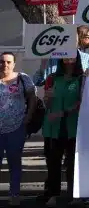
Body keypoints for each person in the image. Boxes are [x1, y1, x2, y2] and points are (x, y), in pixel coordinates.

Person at [40, 53, 85, 207]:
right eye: (66, 57)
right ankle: (53, 194)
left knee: (73, 163)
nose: (69, 60)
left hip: (73, 126)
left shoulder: (82, 79)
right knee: (54, 162)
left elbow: (82, 102)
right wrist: (47, 99)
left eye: (72, 57)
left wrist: (64, 112)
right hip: (54, 126)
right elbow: (46, 102)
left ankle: (74, 194)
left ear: (77, 59)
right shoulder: (53, 78)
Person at [0, 52, 34, 206]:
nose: (5, 65)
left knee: (14, 162)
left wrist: (28, 117)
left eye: (8, 62)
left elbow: (32, 98)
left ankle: (14, 194)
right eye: (2, 62)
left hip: (16, 128)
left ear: (14, 64)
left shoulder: (22, 78)